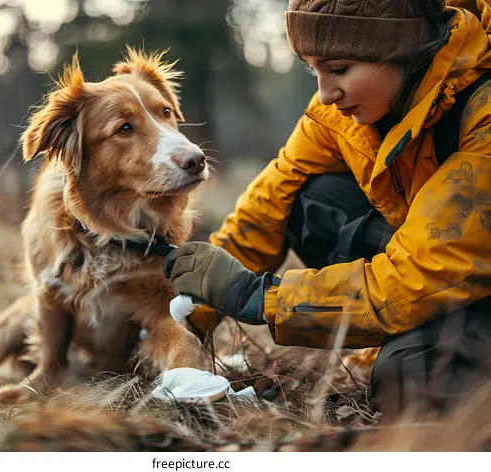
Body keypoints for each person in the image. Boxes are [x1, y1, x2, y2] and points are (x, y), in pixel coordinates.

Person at [162, 0, 491, 421]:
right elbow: (270, 205)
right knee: (310, 198)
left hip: (454, 282)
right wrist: (187, 318)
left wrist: (258, 296)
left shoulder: (481, 114)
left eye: (338, 69)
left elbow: (424, 271)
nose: (324, 93)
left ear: (402, 49)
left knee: (412, 384)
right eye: (312, 69)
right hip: (427, 276)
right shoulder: (338, 115)